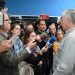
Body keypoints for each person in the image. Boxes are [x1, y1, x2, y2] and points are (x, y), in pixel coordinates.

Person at [53, 9, 75, 75]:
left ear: (68, 19)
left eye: (62, 20)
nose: (61, 23)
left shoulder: (70, 37)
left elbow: (65, 69)